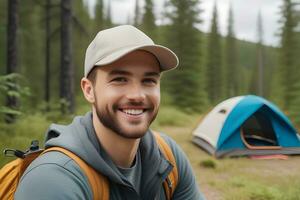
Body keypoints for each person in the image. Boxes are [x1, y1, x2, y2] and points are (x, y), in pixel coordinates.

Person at [15, 25, 205, 200]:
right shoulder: (53, 180)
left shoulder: (167, 156)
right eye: (120, 79)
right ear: (89, 90)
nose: (137, 95)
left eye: (149, 80)